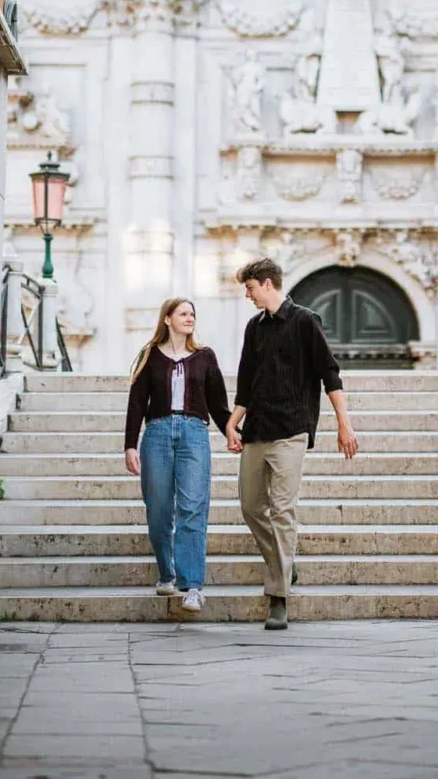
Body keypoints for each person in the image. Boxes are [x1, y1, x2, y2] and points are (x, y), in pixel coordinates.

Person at [226, 258, 358, 631]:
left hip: (291, 431)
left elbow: (329, 374)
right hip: (257, 429)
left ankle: (279, 597)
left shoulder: (305, 321)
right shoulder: (254, 328)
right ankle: (285, 565)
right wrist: (233, 424)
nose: (247, 295)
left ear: (267, 284)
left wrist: (343, 425)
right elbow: (246, 382)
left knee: (282, 509)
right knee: (251, 507)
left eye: (250, 288)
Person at [124, 298, 230, 614]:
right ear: (167, 318)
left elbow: (219, 404)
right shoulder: (150, 355)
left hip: (194, 434)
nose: (189, 318)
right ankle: (167, 572)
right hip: (156, 434)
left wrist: (233, 433)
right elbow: (136, 402)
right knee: (158, 511)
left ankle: (192, 586)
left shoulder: (205, 357)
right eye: (183, 313)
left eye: (192, 314)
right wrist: (130, 444)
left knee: (193, 508)